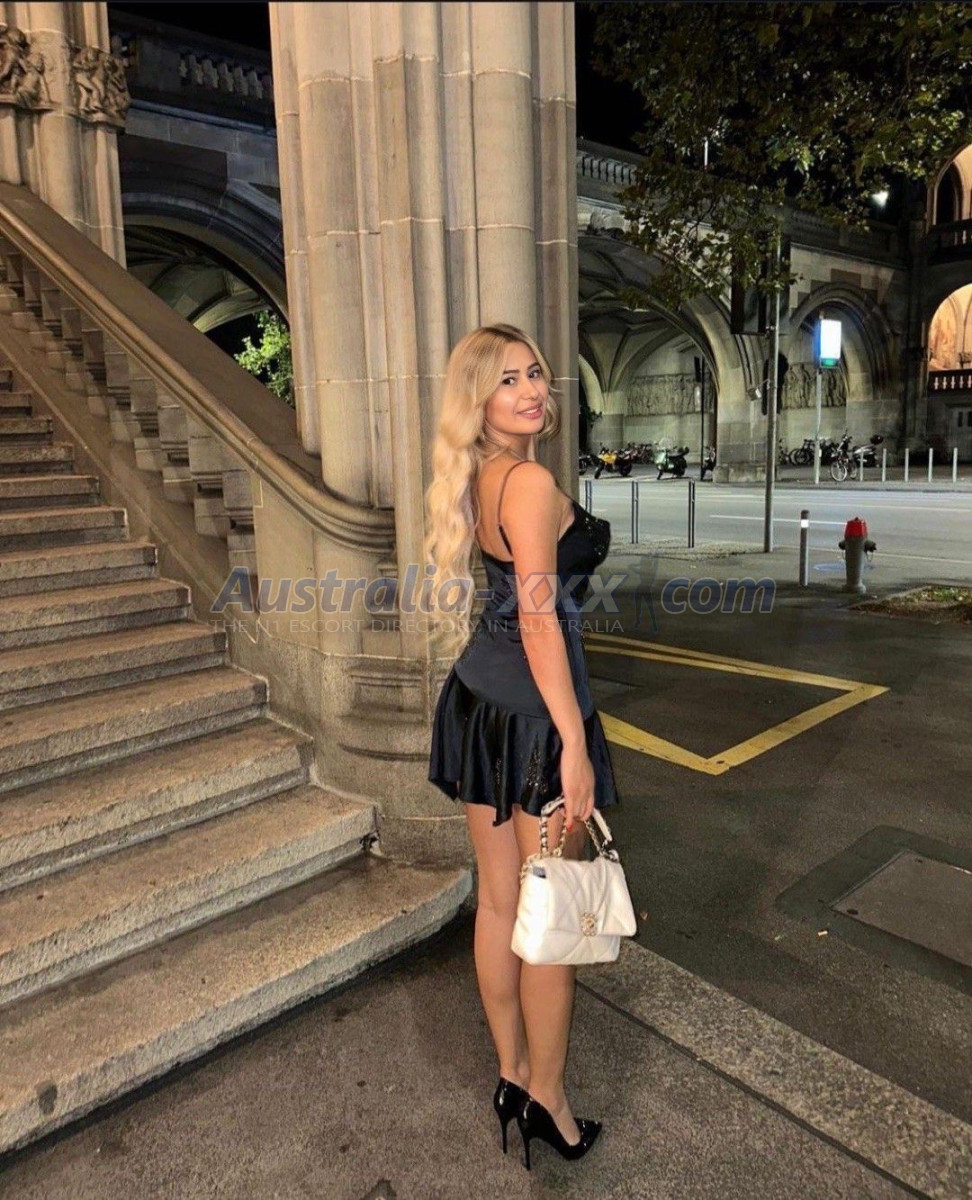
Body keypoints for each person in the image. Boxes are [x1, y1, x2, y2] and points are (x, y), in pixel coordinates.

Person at [425, 323, 622, 1169]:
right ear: (478, 400)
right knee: (551, 919)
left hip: (479, 703)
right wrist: (574, 742)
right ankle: (550, 1100)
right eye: (508, 380)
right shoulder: (531, 481)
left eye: (536, 372)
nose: (533, 389)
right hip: (538, 721)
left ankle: (511, 1075)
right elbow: (541, 622)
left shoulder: (479, 476)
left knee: (503, 903)